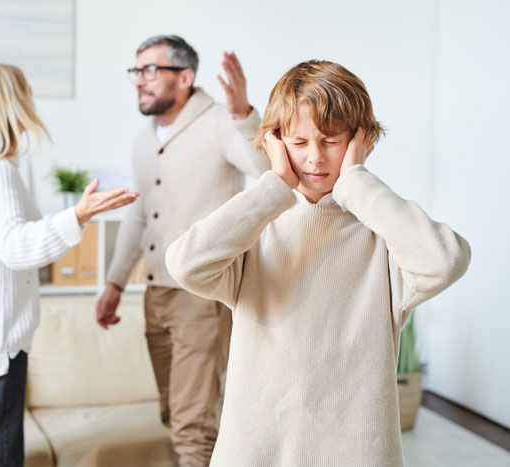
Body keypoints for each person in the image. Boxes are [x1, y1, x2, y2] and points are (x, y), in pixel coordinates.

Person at [165, 59, 471, 466]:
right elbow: (186, 264)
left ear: (362, 142)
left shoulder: (384, 235)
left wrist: (357, 182)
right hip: (255, 452)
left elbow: (445, 261)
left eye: (330, 141)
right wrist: (274, 186)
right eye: (298, 142)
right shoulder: (254, 228)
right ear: (274, 142)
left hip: (358, 454)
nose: (314, 158)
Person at [0, 63, 138, 467]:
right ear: (13, 102)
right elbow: (15, 247)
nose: (33, 98)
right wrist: (77, 216)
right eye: (26, 90)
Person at [95, 35, 270, 466]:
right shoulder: (144, 140)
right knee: (174, 413)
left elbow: (267, 171)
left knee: (192, 425)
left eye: (151, 70)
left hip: (201, 294)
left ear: (185, 77)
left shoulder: (219, 122)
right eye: (136, 71)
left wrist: (245, 113)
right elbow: (139, 215)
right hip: (156, 293)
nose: (140, 81)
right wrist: (115, 282)